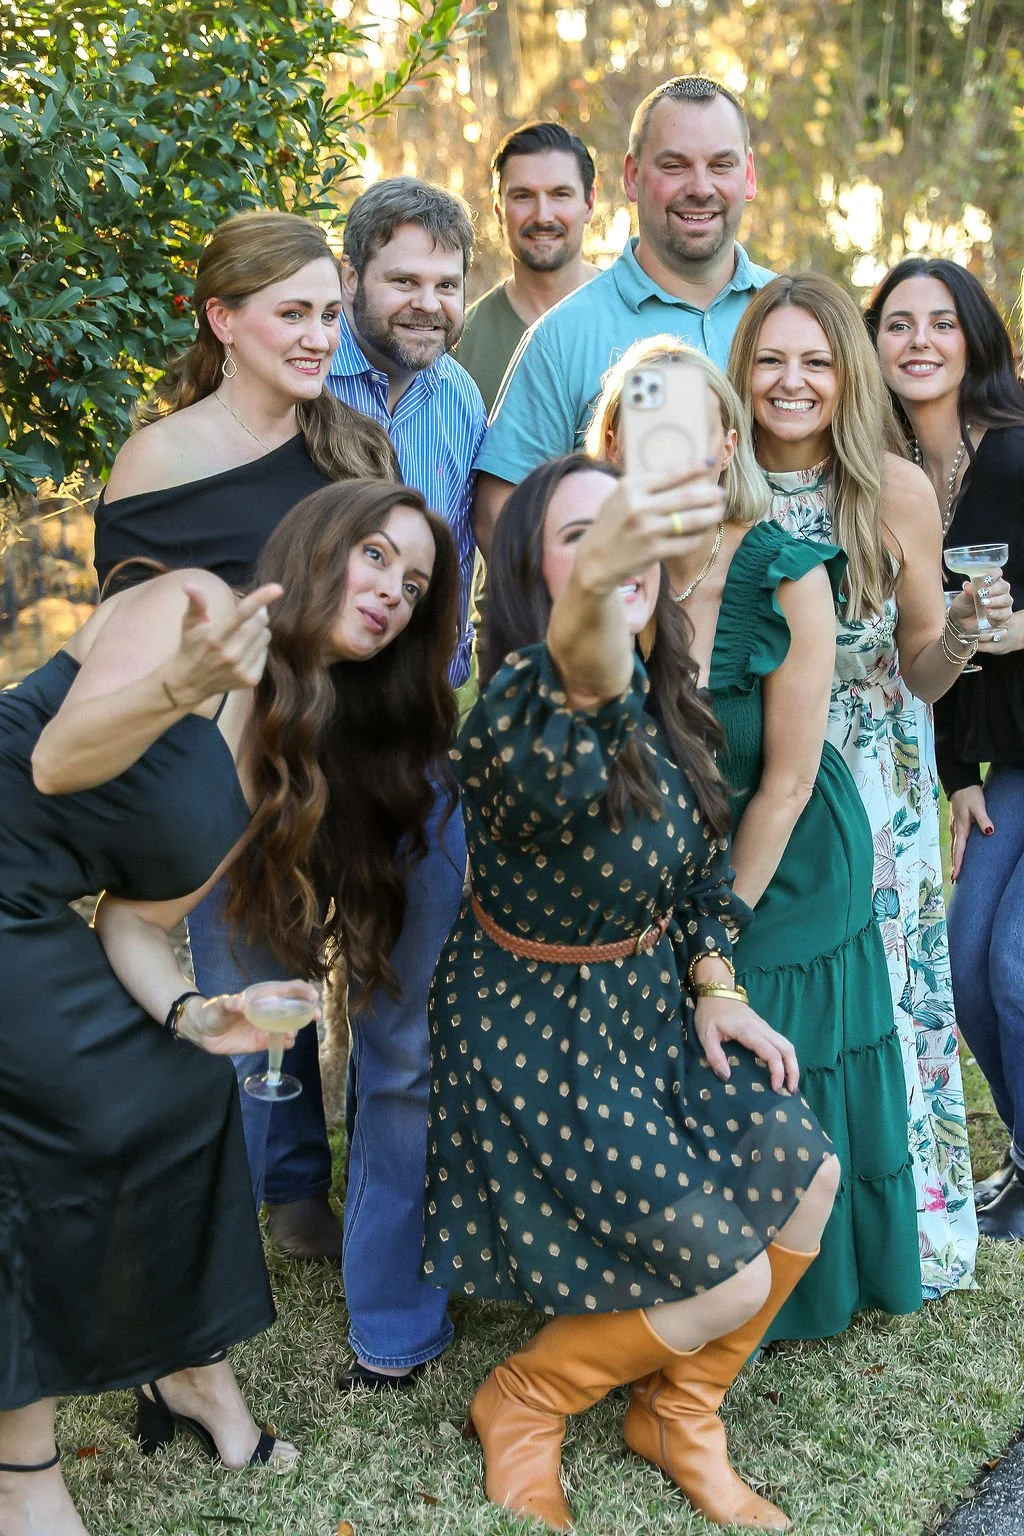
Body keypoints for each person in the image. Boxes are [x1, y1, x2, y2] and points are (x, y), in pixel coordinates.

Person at [0, 479, 460, 1536]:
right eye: (376, 557)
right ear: (315, 546)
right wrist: (178, 684)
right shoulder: (194, 610)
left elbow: (128, 917)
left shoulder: (289, 758)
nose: (392, 591)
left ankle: (187, 1374)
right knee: (55, 1119)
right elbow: (57, 761)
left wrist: (195, 1015)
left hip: (31, 912)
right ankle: (21, 1466)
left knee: (182, 1093)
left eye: (417, 583)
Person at [423, 453, 840, 1533]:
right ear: (528, 577)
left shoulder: (674, 701)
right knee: (729, 1284)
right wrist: (593, 609)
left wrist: (713, 981)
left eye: (624, 534)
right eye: (577, 539)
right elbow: (582, 686)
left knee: (811, 1181)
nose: (611, 559)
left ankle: (677, 1411)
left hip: (647, 1012)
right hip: (534, 1036)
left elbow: (701, 875)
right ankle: (523, 1397)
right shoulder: (519, 714)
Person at [585, 337, 921, 1338]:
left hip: (786, 853)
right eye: (639, 435)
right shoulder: (596, 569)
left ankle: (778, 1285)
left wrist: (714, 934)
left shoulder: (785, 572)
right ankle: (661, 1263)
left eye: (684, 434)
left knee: (742, 1022)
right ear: (609, 449)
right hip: (657, 854)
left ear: (724, 442)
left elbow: (780, 783)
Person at [93, 208, 400, 1263]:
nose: (320, 337)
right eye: (292, 315)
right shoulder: (156, 462)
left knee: (385, 974)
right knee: (255, 981)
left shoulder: (353, 443)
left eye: (329, 314)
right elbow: (125, 645)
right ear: (223, 319)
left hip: (358, 758)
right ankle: (282, 1193)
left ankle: (392, 1179)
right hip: (229, 771)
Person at [729, 272, 1013, 1297]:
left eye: (816, 360)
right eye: (771, 359)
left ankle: (886, 1231)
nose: (792, 381)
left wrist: (967, 639)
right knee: (768, 999)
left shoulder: (888, 489)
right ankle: (762, 1233)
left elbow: (921, 668)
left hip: (875, 790)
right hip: (753, 780)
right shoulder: (722, 484)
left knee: (888, 1010)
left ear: (847, 372)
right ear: (742, 371)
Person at [324, 176, 487, 1386]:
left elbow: (463, 582)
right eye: (404, 280)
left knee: (404, 1031)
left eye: (445, 282)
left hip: (410, 746)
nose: (427, 303)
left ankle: (390, 1303)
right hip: (276, 741)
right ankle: (275, 1211)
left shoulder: (464, 397)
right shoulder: (293, 377)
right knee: (253, 1014)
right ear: (351, 282)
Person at [866, 257, 1024, 1239]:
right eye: (896, 324)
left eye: (939, 322)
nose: (919, 341)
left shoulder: (1016, 450)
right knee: (966, 967)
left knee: (1012, 968)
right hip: (994, 761)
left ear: (972, 337)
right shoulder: (887, 477)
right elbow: (927, 649)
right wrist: (961, 779)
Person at [473, 74, 775, 554]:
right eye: (674, 165)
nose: (700, 188)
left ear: (749, 174)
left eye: (721, 164)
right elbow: (501, 516)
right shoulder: (562, 337)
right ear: (633, 176)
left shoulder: (793, 317)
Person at [456, 121, 599, 413]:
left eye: (560, 194)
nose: (543, 216)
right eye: (523, 196)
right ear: (498, 208)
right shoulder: (460, 345)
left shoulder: (636, 319)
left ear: (590, 203)